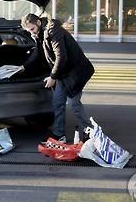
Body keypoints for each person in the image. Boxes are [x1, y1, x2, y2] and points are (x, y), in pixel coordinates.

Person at [21, 13, 94, 143]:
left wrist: (53, 77)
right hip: (62, 73)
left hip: (75, 72)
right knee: (58, 102)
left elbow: (61, 56)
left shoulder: (53, 31)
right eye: (28, 31)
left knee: (74, 104)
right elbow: (39, 53)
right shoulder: (39, 34)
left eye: (31, 29)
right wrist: (23, 67)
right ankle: (59, 134)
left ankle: (91, 132)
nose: (31, 32)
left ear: (38, 22)